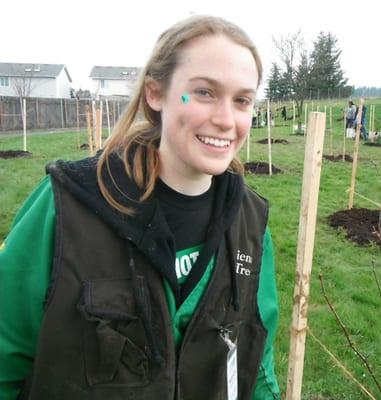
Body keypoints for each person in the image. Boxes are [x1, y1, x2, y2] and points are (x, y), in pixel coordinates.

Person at [0, 15, 280, 400]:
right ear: (155, 93)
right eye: (203, 92)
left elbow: (257, 367)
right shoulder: (65, 206)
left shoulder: (250, 224)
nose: (225, 119)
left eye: (242, 100)